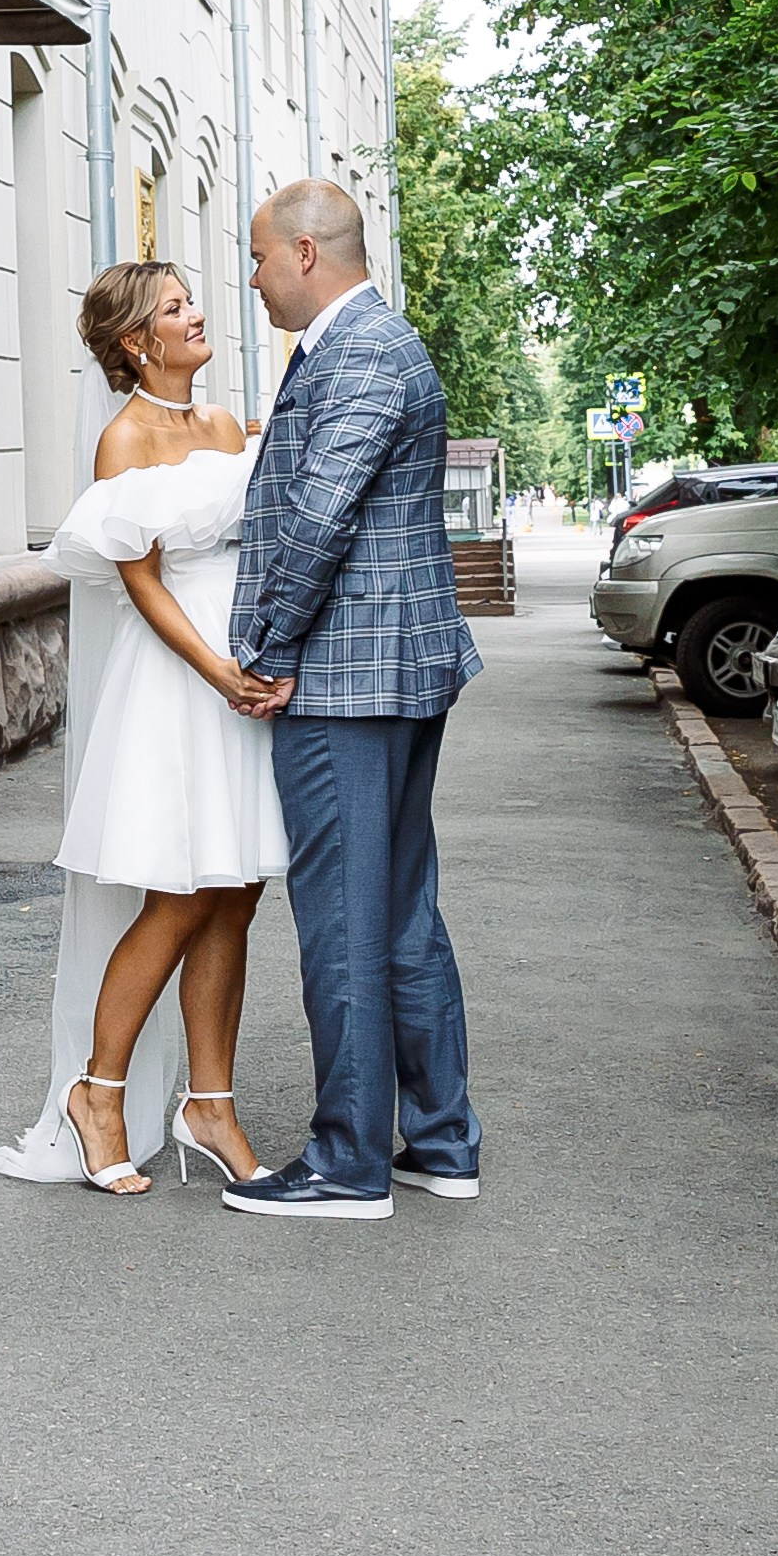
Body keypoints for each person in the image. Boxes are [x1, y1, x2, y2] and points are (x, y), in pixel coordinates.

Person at [0, 260, 286, 1196]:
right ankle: (97, 1093)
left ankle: (210, 1105)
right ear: (134, 342)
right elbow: (140, 581)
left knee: (235, 891)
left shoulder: (227, 425)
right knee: (178, 896)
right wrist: (215, 668)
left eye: (191, 301)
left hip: (242, 667)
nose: (196, 316)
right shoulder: (123, 441)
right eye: (173, 309)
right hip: (179, 677)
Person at [222, 179, 483, 1220]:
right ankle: (442, 1142)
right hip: (392, 671)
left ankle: (346, 1163)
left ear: (302, 252)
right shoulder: (372, 344)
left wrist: (270, 647)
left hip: (346, 676)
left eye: (254, 257)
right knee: (400, 910)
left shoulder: (363, 349)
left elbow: (320, 516)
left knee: (342, 919)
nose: (248, 279)